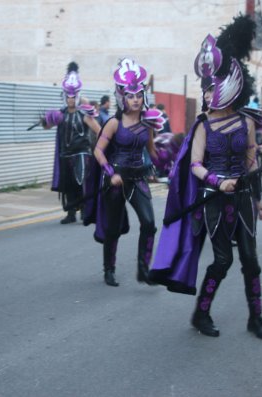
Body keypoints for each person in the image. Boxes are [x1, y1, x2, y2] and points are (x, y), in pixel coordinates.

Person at [150, 15, 262, 341]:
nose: (206, 94)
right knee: (223, 260)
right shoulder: (202, 126)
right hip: (215, 200)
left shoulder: (246, 124)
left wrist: (258, 199)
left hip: (243, 198)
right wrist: (218, 182)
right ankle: (201, 313)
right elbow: (195, 165)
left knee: (251, 260)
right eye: (206, 89)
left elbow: (250, 163)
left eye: (211, 88)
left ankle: (256, 318)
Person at [84, 58, 165, 287]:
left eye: (139, 95)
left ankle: (143, 268)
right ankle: (108, 270)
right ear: (122, 97)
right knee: (112, 228)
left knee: (149, 224)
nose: (136, 100)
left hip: (138, 177)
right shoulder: (113, 123)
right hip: (116, 180)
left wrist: (170, 166)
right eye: (131, 96)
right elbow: (99, 151)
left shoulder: (147, 124)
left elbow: (152, 150)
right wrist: (111, 173)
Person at [45, 62, 101, 224]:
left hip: (82, 154)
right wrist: (47, 120)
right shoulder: (60, 114)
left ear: (76, 96)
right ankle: (70, 213)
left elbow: (99, 131)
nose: (70, 99)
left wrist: (103, 146)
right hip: (65, 154)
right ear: (64, 96)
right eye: (68, 96)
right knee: (68, 186)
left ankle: (84, 211)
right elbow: (47, 126)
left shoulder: (84, 114)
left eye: (73, 96)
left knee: (81, 183)